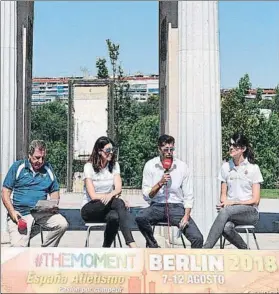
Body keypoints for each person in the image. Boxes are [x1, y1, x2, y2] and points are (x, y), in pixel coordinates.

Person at [135, 134, 203, 248]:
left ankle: (191, 264)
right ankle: (153, 246)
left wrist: (186, 216)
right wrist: (160, 183)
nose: (169, 152)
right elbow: (147, 195)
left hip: (177, 207)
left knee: (198, 238)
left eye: (171, 149)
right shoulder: (150, 165)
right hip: (157, 206)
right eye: (166, 149)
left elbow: (188, 195)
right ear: (159, 149)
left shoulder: (182, 167)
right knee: (140, 217)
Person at [1, 140, 68, 247]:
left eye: (43, 158)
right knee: (18, 249)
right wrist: (12, 212)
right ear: (29, 155)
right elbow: (5, 192)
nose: (40, 161)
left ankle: (44, 252)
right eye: (37, 157)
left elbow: (54, 191)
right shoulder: (18, 167)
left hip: (40, 212)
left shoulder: (48, 169)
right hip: (21, 213)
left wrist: (52, 205)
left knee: (62, 224)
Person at [203, 133, 263, 249]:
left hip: (250, 212)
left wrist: (233, 203)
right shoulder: (225, 167)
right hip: (231, 211)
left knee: (225, 212)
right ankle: (246, 251)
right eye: (230, 145)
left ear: (243, 149)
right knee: (226, 228)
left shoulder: (253, 168)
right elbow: (223, 196)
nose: (231, 148)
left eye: (234, 145)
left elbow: (255, 200)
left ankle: (206, 249)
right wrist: (225, 203)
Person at [81, 136, 137, 248]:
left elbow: (118, 188)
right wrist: (114, 197)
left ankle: (105, 249)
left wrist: (111, 195)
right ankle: (131, 244)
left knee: (114, 217)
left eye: (112, 150)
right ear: (99, 151)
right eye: (107, 150)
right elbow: (93, 196)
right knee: (118, 203)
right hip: (91, 208)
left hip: (108, 206)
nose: (111, 153)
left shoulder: (115, 166)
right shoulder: (89, 167)